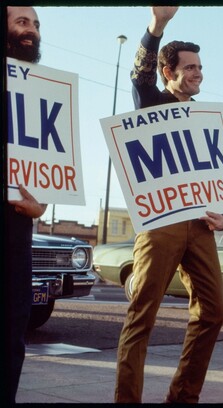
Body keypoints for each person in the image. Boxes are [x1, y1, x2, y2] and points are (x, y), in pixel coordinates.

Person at [114, 7, 223, 403]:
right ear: (170, 72)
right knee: (142, 318)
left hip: (200, 226)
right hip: (160, 223)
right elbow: (139, 76)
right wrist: (157, 27)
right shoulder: (151, 101)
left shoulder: (206, 117)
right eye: (190, 67)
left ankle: (183, 397)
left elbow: (218, 175)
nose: (199, 72)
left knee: (213, 312)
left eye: (201, 66)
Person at [4, 6, 47, 404]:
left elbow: (46, 168)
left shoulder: (40, 93)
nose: (31, 30)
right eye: (22, 21)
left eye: (35, 24)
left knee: (12, 331)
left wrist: (42, 204)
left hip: (17, 231)